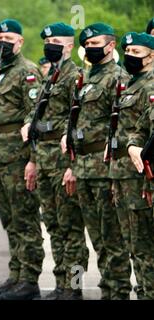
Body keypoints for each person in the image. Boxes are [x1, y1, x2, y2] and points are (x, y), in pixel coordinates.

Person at [60, 23, 132, 300]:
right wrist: (73, 166)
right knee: (97, 238)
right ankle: (107, 290)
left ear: (111, 45)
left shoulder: (118, 77)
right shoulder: (87, 78)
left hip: (105, 169)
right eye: (87, 45)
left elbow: (124, 125)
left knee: (112, 238)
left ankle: (118, 292)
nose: (90, 49)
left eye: (95, 44)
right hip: (84, 168)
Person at [0, 19, 44, 300]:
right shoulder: (0, 72)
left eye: (7, 38)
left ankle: (29, 280)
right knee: (9, 219)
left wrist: (32, 160)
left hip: (18, 155)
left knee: (25, 218)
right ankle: (15, 275)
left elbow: (35, 116)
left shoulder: (27, 72)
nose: (2, 42)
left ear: (20, 42)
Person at [21, 22, 89, 300]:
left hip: (64, 161)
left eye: (57, 42)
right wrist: (33, 160)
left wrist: (74, 165)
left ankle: (73, 287)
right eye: (47, 42)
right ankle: (61, 283)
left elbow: (81, 122)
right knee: (54, 225)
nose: (50, 46)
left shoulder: (76, 77)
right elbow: (39, 122)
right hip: (45, 159)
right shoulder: (51, 77)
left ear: (70, 46)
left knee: (71, 226)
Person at [116, 32, 154, 300]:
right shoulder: (132, 84)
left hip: (143, 178)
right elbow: (137, 131)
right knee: (136, 245)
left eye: (136, 52)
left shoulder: (151, 86)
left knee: (145, 247)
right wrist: (131, 145)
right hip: (129, 173)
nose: (130, 56)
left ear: (151, 56)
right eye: (127, 51)